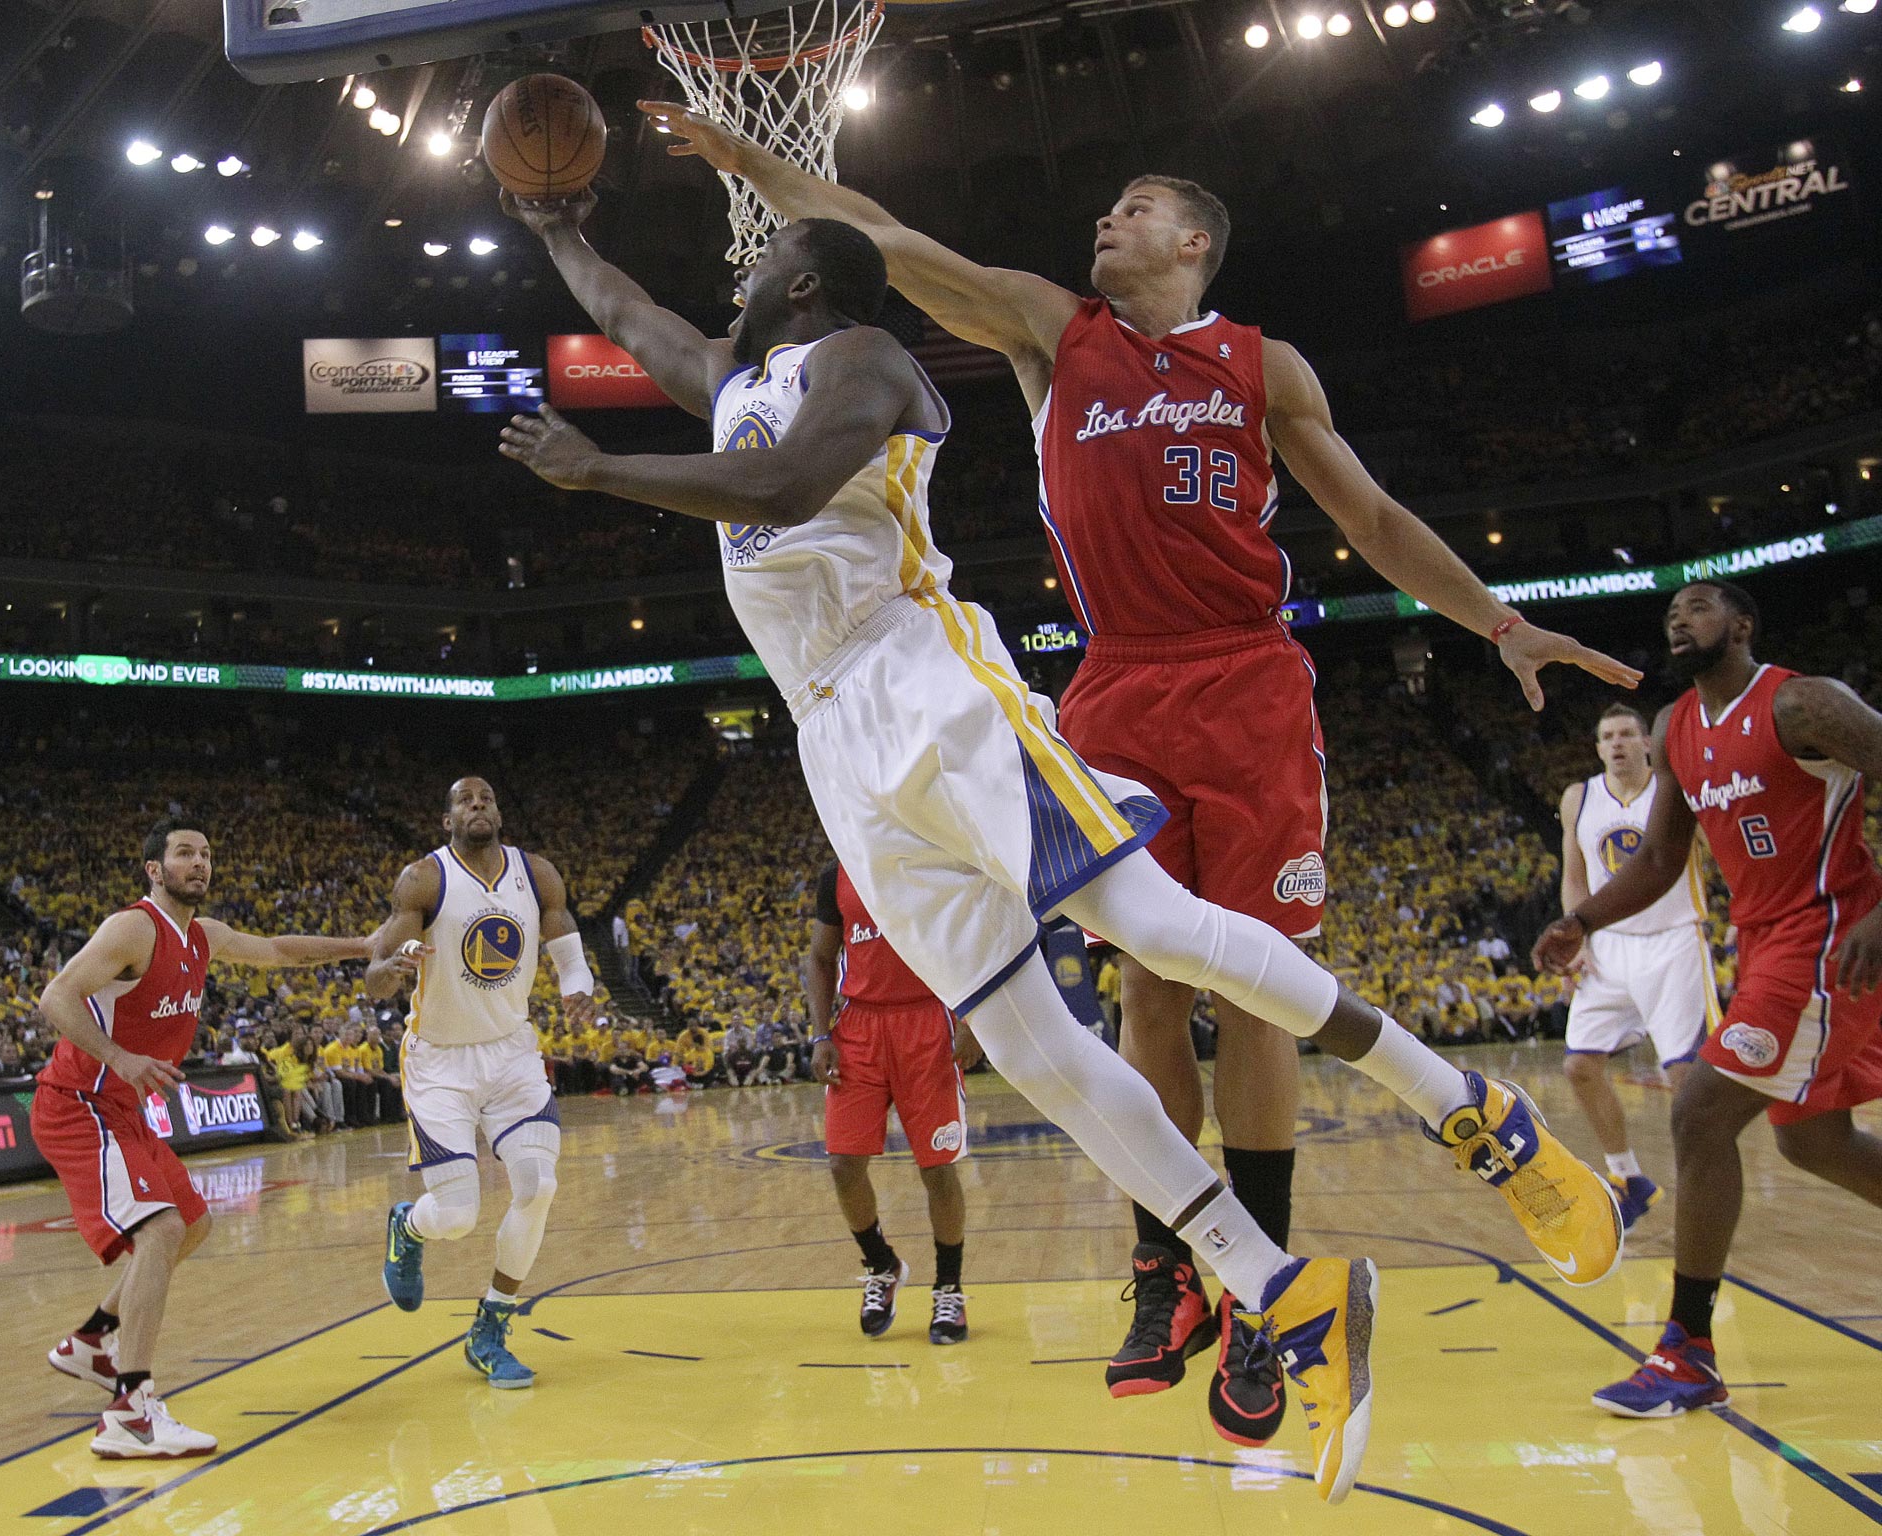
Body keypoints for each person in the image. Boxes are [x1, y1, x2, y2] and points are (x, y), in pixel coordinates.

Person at [498, 192, 1620, 1505]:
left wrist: (598, 469)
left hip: (931, 687)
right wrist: (558, 225)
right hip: (832, 742)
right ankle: (1280, 1290)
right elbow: (633, 318)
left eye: (764, 258)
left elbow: (781, 485)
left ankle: (1468, 1104)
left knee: (1148, 927)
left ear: (807, 283)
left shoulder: (872, 362)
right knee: (1029, 1049)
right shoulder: (739, 376)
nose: (736, 274)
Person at [1535, 580, 1882, 1418]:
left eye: (1696, 608)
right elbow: (1658, 861)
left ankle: (1688, 1352)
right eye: (1669, 615)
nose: (1678, 621)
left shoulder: (1804, 704)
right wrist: (1580, 919)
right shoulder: (1674, 729)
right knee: (1815, 1144)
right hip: (1764, 945)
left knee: (1698, 1112)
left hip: (1830, 941)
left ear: (1741, 624)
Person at [34, 817, 371, 1459]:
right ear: (155, 870)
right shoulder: (134, 928)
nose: (200, 862)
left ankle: (92, 1342)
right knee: (158, 1231)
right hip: (80, 1103)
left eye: (207, 854)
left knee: (190, 1226)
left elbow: (277, 950)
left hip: (124, 1111)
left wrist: (362, 943)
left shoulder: (204, 936)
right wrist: (122, 1057)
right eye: (184, 852)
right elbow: (57, 997)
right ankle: (129, 1414)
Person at [364, 777, 599, 1391]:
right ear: (448, 820)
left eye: (486, 799)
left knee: (537, 1182)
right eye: (464, 801)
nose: (477, 807)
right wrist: (389, 971)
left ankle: (490, 1328)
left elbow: (566, 945)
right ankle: (409, 1226)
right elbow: (376, 975)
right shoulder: (424, 880)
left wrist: (579, 984)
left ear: (498, 811)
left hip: (512, 1053)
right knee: (458, 1216)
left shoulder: (537, 873)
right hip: (440, 1062)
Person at [805, 859, 983, 1344]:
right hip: (859, 1028)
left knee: (937, 1168)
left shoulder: (930, 859)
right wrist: (821, 1034)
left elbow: (970, 943)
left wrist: (972, 1021)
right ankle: (881, 1265)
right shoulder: (836, 876)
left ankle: (949, 1288)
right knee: (843, 1164)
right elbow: (820, 958)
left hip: (928, 1022)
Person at [1556, 701, 1719, 1228]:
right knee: (1580, 1068)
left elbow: (1716, 855)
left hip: (1672, 942)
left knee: (1684, 1075)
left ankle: (1705, 1187)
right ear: (1598, 747)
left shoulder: (1678, 791)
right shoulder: (1578, 799)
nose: (1618, 744)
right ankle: (1629, 1180)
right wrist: (1575, 933)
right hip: (1607, 945)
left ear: (1649, 742)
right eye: (1608, 737)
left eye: (1627, 734)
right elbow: (1575, 875)